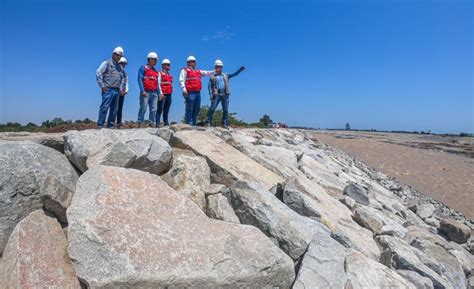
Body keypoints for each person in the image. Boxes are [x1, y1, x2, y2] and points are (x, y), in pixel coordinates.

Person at [206, 60, 245, 128]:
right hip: (217, 94)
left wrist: (240, 70)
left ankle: (224, 123)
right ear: (215, 67)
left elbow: (234, 74)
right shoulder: (212, 76)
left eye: (220, 66)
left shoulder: (226, 75)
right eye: (217, 66)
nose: (219, 68)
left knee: (226, 110)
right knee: (212, 108)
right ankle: (208, 122)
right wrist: (211, 96)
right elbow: (209, 87)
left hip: (225, 94)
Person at [95, 46, 127, 129]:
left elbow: (123, 77)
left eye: (120, 56)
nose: (118, 57)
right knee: (104, 107)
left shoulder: (120, 67)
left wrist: (121, 88)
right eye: (117, 55)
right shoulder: (106, 63)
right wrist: (102, 86)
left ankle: (111, 125)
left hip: (116, 90)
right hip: (108, 89)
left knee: (114, 109)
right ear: (113, 54)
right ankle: (100, 125)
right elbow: (98, 72)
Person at [179, 56, 214, 125]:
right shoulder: (185, 70)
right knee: (190, 108)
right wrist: (184, 90)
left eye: (194, 61)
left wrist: (215, 71)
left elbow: (207, 73)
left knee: (197, 108)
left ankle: (194, 122)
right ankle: (188, 122)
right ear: (188, 63)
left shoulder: (198, 71)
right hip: (190, 92)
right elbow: (181, 80)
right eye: (192, 61)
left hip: (198, 92)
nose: (193, 63)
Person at [137, 52, 161, 126]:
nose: (156, 61)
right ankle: (140, 122)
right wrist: (142, 90)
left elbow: (157, 83)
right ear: (150, 59)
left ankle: (151, 123)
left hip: (154, 93)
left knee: (153, 109)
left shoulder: (156, 71)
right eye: (155, 60)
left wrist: (159, 93)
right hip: (146, 92)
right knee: (143, 108)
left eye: (156, 60)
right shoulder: (143, 68)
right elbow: (140, 79)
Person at [156, 59, 173, 126]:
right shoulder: (160, 73)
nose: (169, 66)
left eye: (169, 64)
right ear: (163, 65)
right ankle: (157, 123)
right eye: (167, 64)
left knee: (166, 109)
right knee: (160, 108)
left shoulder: (169, 75)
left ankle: (166, 122)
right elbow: (158, 83)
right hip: (163, 94)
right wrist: (160, 93)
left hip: (169, 94)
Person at [116, 57, 129, 128]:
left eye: (124, 64)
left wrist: (126, 91)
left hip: (122, 93)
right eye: (122, 63)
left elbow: (126, 82)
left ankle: (118, 123)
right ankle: (111, 123)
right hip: (116, 92)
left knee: (120, 108)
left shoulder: (125, 73)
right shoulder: (116, 71)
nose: (123, 65)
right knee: (113, 108)